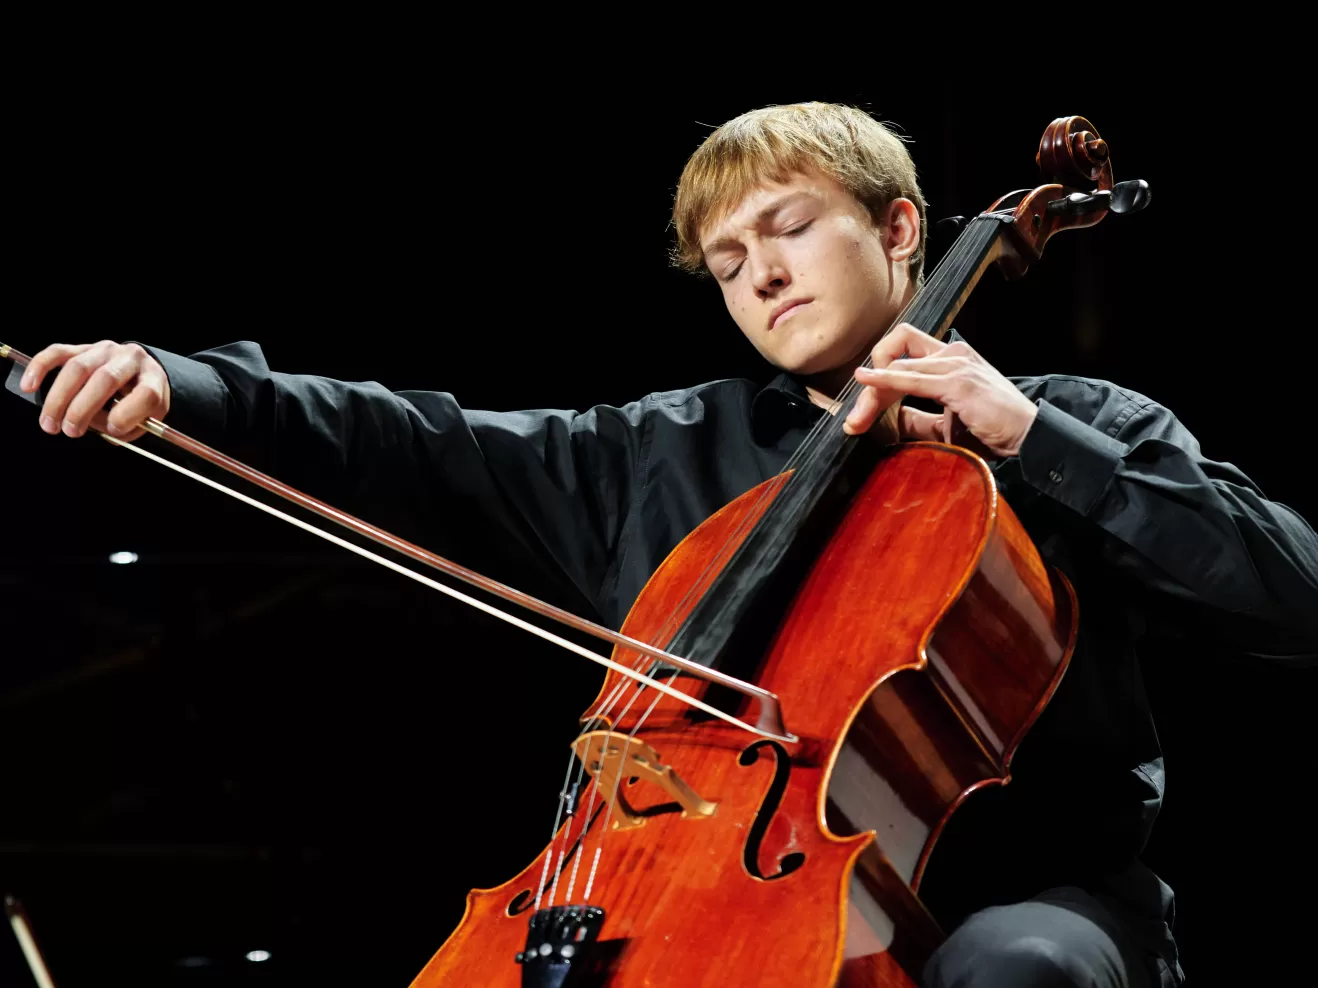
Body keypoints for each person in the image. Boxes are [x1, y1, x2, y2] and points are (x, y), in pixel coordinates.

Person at [17, 102, 1317, 987]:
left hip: (1026, 897)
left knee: (1007, 971)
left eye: (789, 225)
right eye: (725, 255)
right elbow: (407, 439)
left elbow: (1288, 593)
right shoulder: (661, 455)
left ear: (901, 229)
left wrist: (1032, 436)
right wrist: (190, 388)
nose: (757, 274)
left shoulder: (1071, 426)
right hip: (667, 881)